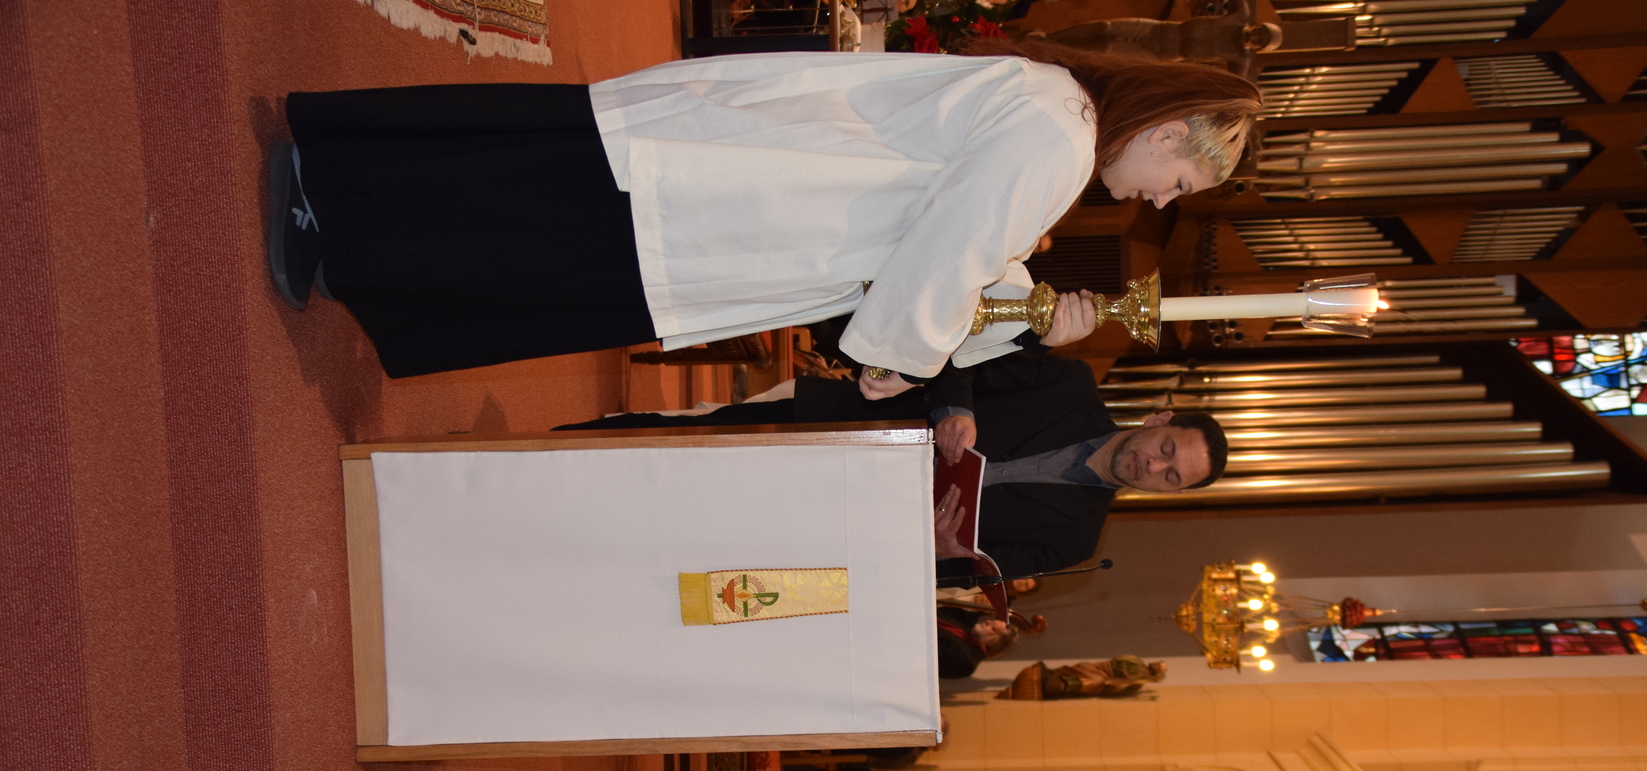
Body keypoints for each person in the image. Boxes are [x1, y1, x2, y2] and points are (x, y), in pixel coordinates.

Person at [269, 43, 1260, 380]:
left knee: (531, 194)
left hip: (756, 189)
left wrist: (1029, 320)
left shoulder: (1056, 112)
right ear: (1170, 130)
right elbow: (951, 250)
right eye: (1179, 182)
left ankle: (344, 182)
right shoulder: (1061, 139)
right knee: (528, 221)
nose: (1161, 201)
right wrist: (899, 358)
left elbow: (968, 258)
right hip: (745, 203)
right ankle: (335, 210)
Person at [557, 293, 1230, 579]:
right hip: (849, 423)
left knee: (693, 519)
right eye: (1168, 449)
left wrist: (938, 551)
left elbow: (962, 578)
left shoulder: (1075, 541)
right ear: (1158, 421)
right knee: (679, 440)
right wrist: (954, 409)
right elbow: (962, 354)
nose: (1153, 466)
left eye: (1171, 477)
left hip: (845, 520)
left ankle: (576, 529)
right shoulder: (1071, 386)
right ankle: (543, 449)